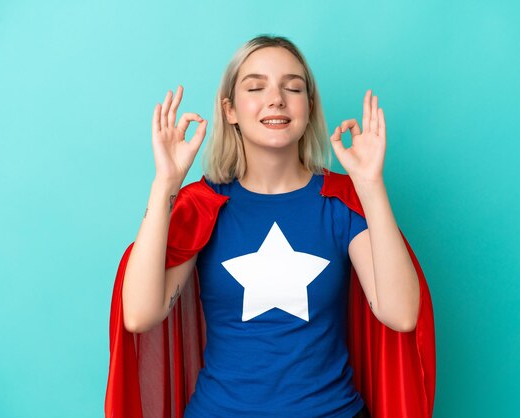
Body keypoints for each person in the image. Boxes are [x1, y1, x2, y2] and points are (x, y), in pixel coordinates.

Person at [107, 35, 435, 418]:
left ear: (309, 107)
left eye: (293, 87)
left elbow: (401, 314)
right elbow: (139, 315)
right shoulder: (203, 204)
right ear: (230, 110)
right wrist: (165, 184)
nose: (276, 98)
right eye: (256, 86)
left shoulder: (341, 200)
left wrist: (371, 185)